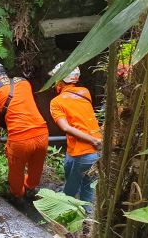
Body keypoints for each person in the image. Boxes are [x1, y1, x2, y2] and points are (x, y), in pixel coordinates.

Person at [0, 61, 49, 203]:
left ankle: (18, 196)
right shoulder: (24, 82)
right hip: (42, 132)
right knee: (36, 166)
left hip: (20, 139)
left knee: (16, 171)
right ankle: (30, 188)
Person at [48, 62, 102, 210]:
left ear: (61, 80)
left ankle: (62, 221)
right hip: (93, 152)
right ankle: (87, 223)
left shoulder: (56, 102)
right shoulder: (85, 92)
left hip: (85, 151)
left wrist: (93, 140)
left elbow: (66, 127)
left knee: (70, 191)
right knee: (87, 188)